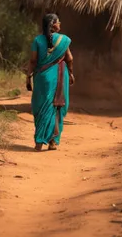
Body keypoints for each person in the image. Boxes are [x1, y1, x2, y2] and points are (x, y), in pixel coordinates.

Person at [26, 13, 75, 151]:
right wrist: (71, 73)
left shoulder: (37, 40)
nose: (60, 24)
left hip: (41, 77)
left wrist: (28, 76)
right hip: (60, 76)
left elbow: (33, 61)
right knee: (57, 107)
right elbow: (69, 58)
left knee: (41, 107)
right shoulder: (64, 40)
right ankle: (53, 141)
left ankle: (39, 141)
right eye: (58, 22)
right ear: (53, 24)